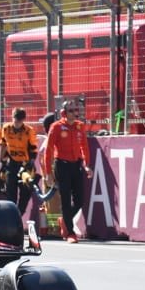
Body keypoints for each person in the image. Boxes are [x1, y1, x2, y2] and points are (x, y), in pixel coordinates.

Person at [42, 100, 91, 243]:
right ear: (63, 112)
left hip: (76, 165)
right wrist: (48, 173)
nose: (74, 113)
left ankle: (64, 220)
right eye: (71, 111)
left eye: (76, 110)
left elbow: (84, 147)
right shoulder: (56, 127)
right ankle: (70, 232)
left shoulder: (80, 126)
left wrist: (86, 165)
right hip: (61, 166)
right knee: (65, 198)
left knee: (79, 200)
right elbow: (48, 150)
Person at [1, 107, 39, 214]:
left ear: (23, 120)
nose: (16, 123)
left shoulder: (29, 131)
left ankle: (19, 214)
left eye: (19, 121)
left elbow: (33, 149)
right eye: (15, 120)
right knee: (10, 193)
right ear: (12, 118)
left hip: (26, 164)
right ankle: (12, 216)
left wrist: (29, 163)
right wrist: (2, 160)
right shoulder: (6, 128)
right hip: (12, 163)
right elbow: (3, 144)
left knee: (25, 194)